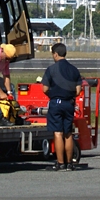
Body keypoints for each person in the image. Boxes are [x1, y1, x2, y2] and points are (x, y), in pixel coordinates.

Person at [41, 42, 83, 171]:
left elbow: (44, 88)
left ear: (55, 54)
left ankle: (60, 163)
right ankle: (70, 163)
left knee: (58, 133)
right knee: (68, 133)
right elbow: (78, 90)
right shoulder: (74, 70)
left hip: (56, 103)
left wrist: (53, 95)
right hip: (69, 103)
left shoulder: (51, 69)